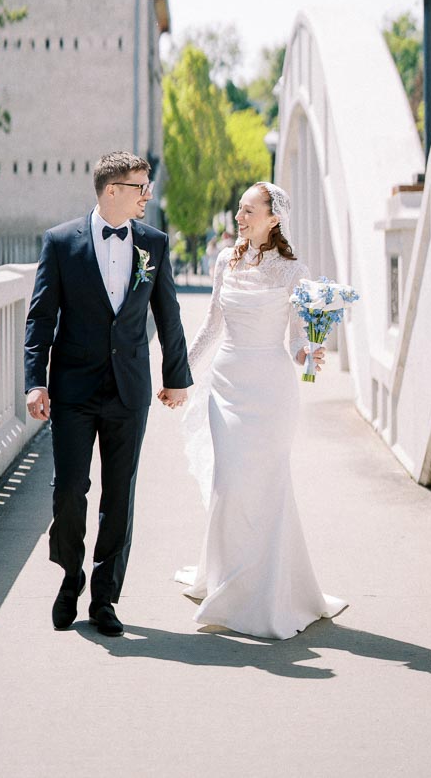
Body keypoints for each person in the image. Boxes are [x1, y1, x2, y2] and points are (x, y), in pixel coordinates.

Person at [24, 150, 193, 637]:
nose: (149, 195)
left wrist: (176, 377)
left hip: (129, 389)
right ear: (112, 191)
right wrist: (35, 381)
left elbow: (169, 313)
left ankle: (104, 597)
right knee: (69, 490)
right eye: (142, 186)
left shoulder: (153, 244)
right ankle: (70, 575)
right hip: (73, 388)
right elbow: (41, 318)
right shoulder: (60, 243)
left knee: (119, 496)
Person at [173, 181, 348, 639]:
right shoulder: (223, 261)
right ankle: (227, 579)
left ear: (274, 218)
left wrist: (311, 354)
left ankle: (266, 594)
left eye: (249, 210)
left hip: (271, 390)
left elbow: (295, 341)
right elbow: (212, 325)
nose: (239, 217)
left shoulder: (294, 272)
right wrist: (179, 374)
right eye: (239, 209)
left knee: (267, 486)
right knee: (229, 483)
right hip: (227, 387)